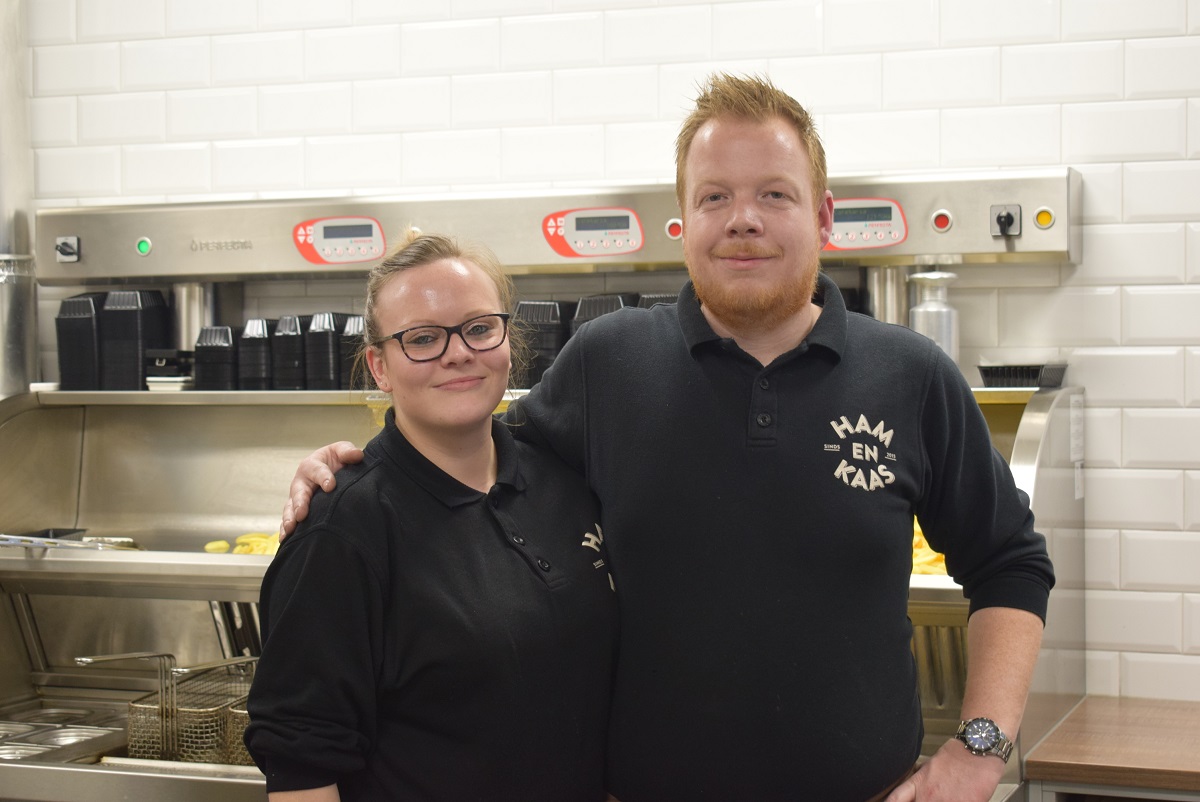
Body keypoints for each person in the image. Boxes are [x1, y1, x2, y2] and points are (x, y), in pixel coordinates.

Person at [281, 74, 1054, 802]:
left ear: (822, 216)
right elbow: (472, 465)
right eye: (715, 195)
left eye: (774, 195)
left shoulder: (912, 375)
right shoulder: (608, 363)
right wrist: (346, 475)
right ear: (684, 221)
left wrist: (981, 748)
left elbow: (1010, 562)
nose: (742, 218)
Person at [245, 232, 618, 802]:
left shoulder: (565, 481)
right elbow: (303, 768)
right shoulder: (342, 533)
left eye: (478, 327)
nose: (458, 352)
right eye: (422, 338)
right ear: (379, 367)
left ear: (506, 339)